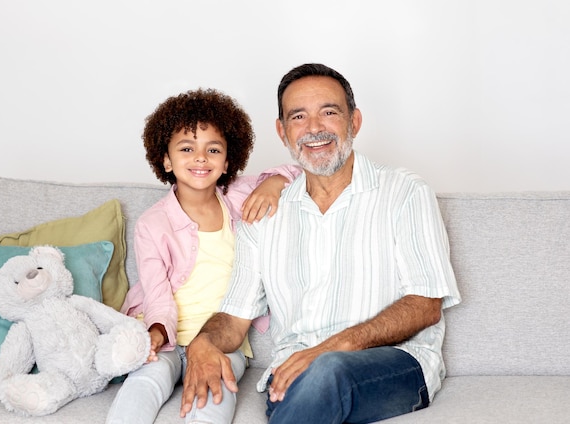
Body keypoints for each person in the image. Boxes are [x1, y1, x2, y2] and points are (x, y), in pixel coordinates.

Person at [180, 64, 462, 424]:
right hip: (294, 376)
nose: (314, 128)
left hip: (395, 363)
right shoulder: (263, 217)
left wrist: (332, 348)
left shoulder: (405, 192)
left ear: (354, 122)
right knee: (315, 376)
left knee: (329, 369)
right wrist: (203, 343)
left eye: (329, 112)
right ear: (282, 132)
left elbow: (425, 305)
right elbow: (234, 318)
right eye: (299, 116)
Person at [105, 88, 300, 424]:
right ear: (166, 160)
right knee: (144, 383)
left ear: (227, 161)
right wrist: (156, 334)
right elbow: (157, 293)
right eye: (186, 148)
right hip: (163, 335)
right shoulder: (153, 223)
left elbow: (304, 171)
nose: (200, 158)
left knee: (214, 395)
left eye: (213, 149)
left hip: (224, 343)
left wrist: (275, 182)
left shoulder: (239, 197)